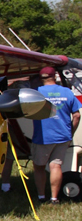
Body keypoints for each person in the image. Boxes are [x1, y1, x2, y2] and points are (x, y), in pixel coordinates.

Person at [29, 65, 81, 204]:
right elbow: (76, 115)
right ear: (55, 77)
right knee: (56, 166)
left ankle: (41, 197)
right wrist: (71, 133)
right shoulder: (67, 92)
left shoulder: (36, 93)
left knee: (39, 167)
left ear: (41, 78)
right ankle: (54, 198)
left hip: (43, 137)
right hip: (63, 136)